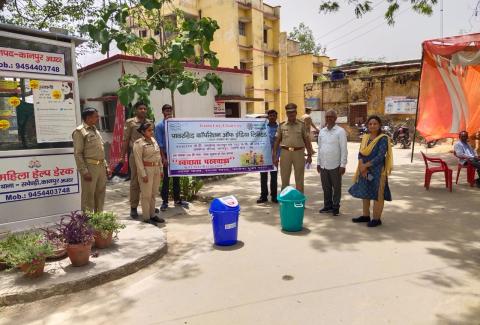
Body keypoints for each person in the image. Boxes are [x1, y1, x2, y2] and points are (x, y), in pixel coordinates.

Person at [348, 115, 393, 228]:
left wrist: (366, 165)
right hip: (365, 171)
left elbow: (380, 156)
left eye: (375, 124)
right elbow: (360, 153)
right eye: (370, 124)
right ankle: (365, 215)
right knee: (365, 192)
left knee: (378, 194)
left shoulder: (383, 138)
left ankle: (376, 218)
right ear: (367, 125)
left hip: (377, 172)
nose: (372, 126)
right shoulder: (365, 137)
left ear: (379, 125)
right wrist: (361, 166)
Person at [72, 107, 111, 212]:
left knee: (100, 194)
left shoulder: (95, 130)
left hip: (101, 166)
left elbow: (100, 150)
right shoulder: (79, 132)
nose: (98, 118)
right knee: (88, 196)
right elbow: (78, 153)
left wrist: (106, 166)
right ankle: (87, 225)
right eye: (96, 116)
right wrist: (84, 171)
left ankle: (98, 221)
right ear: (88, 118)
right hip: (90, 168)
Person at [120, 101, 153, 219]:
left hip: (148, 156)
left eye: (145, 108)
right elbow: (125, 139)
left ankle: (149, 206)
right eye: (140, 108)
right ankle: (133, 207)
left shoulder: (149, 122)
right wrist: (122, 157)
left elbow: (152, 139)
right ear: (135, 110)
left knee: (148, 181)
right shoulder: (130, 122)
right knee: (135, 181)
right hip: (135, 155)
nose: (143, 110)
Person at [273, 103, 314, 194]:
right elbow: (277, 141)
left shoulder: (302, 125)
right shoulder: (282, 125)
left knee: (299, 178)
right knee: (285, 178)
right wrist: (274, 155)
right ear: (286, 113)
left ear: (296, 113)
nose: (291, 114)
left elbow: (307, 140)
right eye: (289, 113)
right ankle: (285, 200)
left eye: (292, 112)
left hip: (299, 153)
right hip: (285, 153)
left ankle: (299, 201)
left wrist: (310, 155)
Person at [155, 104, 189, 211]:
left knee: (176, 178)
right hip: (165, 155)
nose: (168, 112)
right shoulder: (159, 126)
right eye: (166, 110)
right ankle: (165, 202)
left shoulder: (176, 124)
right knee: (165, 180)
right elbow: (160, 143)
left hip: (176, 155)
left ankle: (177, 200)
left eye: (170, 110)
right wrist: (163, 158)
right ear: (163, 112)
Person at [316, 110, 348, 216]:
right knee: (326, 187)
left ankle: (335, 206)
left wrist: (343, 165)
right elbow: (320, 148)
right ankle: (327, 206)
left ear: (335, 118)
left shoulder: (340, 131)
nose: (329, 118)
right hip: (324, 164)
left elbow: (344, 149)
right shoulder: (322, 131)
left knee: (336, 187)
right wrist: (318, 163)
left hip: (336, 165)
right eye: (327, 117)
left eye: (331, 117)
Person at [133, 122, 164, 225]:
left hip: (156, 169)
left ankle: (152, 215)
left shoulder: (154, 140)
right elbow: (138, 160)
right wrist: (143, 174)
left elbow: (158, 155)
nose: (152, 132)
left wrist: (161, 170)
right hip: (147, 170)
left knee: (153, 194)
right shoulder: (139, 143)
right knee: (146, 195)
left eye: (152, 130)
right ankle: (146, 217)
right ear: (143, 132)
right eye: (149, 130)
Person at [257, 109, 280, 204]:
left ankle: (274, 196)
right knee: (263, 177)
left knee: (274, 177)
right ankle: (263, 196)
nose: (272, 117)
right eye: (270, 116)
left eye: (274, 115)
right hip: (263, 156)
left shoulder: (280, 128)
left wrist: (278, 155)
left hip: (275, 156)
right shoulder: (262, 127)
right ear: (268, 117)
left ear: (276, 117)